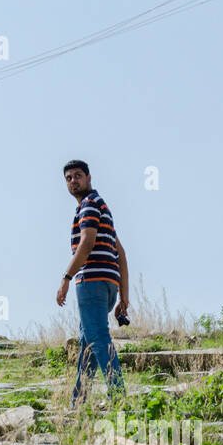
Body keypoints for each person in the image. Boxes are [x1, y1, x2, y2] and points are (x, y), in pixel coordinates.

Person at [55, 159, 129, 406]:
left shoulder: (88, 205)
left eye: (78, 176)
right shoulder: (103, 207)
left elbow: (86, 245)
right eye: (68, 178)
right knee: (88, 341)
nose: (73, 181)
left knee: (98, 338)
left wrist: (66, 278)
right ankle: (79, 400)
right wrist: (124, 297)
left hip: (92, 281)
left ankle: (118, 395)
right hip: (108, 285)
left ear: (88, 178)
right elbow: (122, 254)